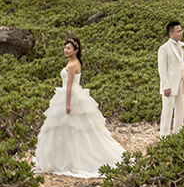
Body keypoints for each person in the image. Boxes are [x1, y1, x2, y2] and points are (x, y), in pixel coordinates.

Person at [32, 37, 125, 177]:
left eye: (68, 48)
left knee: (72, 127)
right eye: (65, 48)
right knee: (68, 129)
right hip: (73, 94)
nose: (65, 50)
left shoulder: (72, 65)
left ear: (76, 50)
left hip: (70, 96)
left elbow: (69, 86)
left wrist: (67, 104)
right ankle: (65, 158)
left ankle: (71, 159)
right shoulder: (75, 62)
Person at [158, 20, 184, 136]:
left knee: (180, 109)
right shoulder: (164, 49)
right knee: (167, 111)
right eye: (178, 31)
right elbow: (162, 69)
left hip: (181, 83)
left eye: (181, 30)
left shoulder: (182, 46)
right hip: (169, 85)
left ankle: (178, 133)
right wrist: (166, 86)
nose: (181, 33)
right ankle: (164, 136)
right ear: (171, 33)